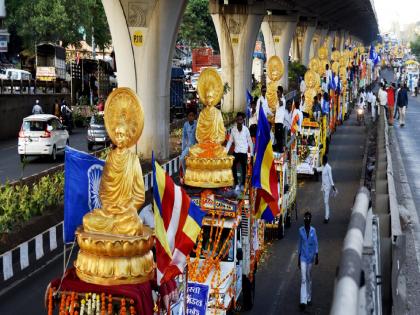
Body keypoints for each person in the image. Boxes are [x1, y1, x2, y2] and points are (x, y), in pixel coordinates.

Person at [226, 113, 254, 191]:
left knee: (244, 169)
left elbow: (250, 142)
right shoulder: (233, 130)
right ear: (236, 120)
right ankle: (237, 184)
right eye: (238, 120)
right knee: (233, 166)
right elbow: (230, 141)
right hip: (236, 151)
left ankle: (242, 184)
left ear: (243, 120)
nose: (239, 121)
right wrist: (225, 152)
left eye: (240, 120)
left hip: (243, 152)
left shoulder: (246, 130)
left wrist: (251, 154)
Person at [298, 211, 319, 311]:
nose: (306, 220)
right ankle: (303, 301)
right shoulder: (300, 230)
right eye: (305, 218)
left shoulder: (313, 231)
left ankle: (309, 297)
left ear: (310, 220)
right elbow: (299, 244)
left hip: (310, 258)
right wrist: (298, 258)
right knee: (303, 278)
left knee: (308, 277)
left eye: (308, 218)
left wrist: (317, 255)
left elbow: (316, 243)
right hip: (302, 257)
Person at [320, 155, 335, 223]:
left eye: (322, 161)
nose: (322, 162)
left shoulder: (329, 168)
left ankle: (326, 218)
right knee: (325, 202)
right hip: (323, 187)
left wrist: (333, 186)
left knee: (326, 202)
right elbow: (319, 168)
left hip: (327, 187)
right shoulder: (323, 166)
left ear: (324, 161)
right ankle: (327, 216)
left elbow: (331, 178)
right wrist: (314, 169)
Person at [274, 88, 286, 152]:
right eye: (277, 92)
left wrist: (278, 98)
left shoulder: (283, 100)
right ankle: (278, 149)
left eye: (278, 92)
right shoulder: (277, 101)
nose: (277, 93)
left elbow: (281, 104)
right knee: (276, 136)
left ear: (281, 92)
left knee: (279, 137)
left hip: (280, 121)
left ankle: (280, 150)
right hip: (276, 121)